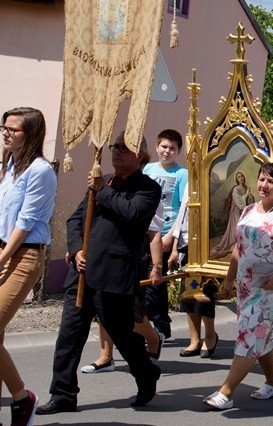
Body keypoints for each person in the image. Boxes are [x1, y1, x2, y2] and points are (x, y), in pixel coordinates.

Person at [36, 131, 162, 415]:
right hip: (81, 274)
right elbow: (76, 219)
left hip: (114, 274)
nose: (115, 152)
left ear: (140, 156)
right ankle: (63, 393)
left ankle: (145, 372)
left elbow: (131, 214)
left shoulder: (147, 188)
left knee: (122, 334)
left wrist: (102, 190)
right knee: (69, 336)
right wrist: (76, 250)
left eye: (123, 148)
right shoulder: (101, 180)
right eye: (113, 146)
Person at [203, 162, 273, 410]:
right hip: (246, 285)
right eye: (262, 179)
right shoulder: (249, 210)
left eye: (271, 181)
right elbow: (238, 249)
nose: (264, 185)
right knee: (258, 332)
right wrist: (229, 279)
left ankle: (226, 392)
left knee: (250, 333)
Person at [0, 107, 56, 426]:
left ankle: (23, 398)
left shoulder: (40, 170)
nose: (6, 132)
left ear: (31, 133)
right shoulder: (10, 164)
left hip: (24, 256)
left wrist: (3, 258)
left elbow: (26, 220)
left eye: (13, 129)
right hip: (5, 249)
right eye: (3, 127)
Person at [142, 129, 188, 339]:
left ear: (178, 151)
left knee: (156, 280)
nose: (167, 151)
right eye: (164, 147)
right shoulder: (148, 169)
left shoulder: (181, 174)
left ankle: (161, 325)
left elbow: (184, 207)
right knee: (143, 279)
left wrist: (173, 237)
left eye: (172, 148)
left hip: (165, 231)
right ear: (157, 147)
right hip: (145, 230)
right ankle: (144, 324)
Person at [174, 185, 218, 358]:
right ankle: (194, 339)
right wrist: (175, 246)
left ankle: (210, 335)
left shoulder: (213, 175)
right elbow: (183, 213)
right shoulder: (190, 181)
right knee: (188, 292)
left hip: (208, 243)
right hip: (189, 243)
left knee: (205, 293)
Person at [211, 171, 253, 256]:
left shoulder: (246, 188)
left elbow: (250, 200)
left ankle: (241, 246)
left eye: (242, 176)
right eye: (239, 177)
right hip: (236, 212)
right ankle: (234, 246)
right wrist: (247, 195)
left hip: (244, 212)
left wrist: (249, 196)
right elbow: (239, 201)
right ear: (237, 179)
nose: (241, 178)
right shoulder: (236, 188)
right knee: (237, 228)